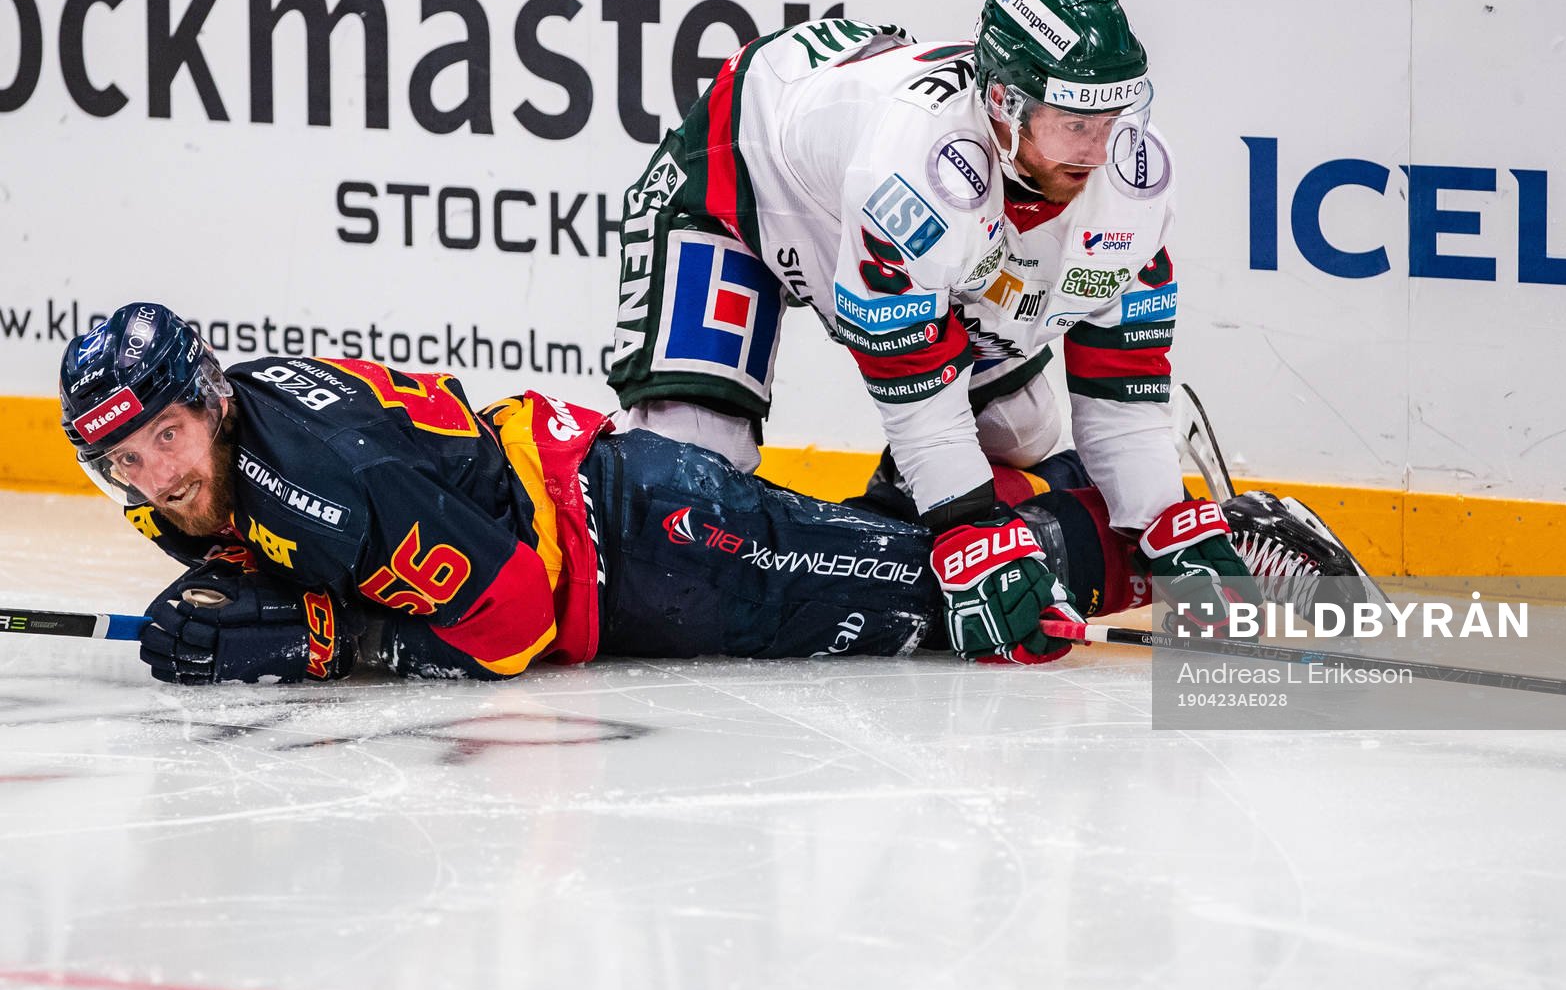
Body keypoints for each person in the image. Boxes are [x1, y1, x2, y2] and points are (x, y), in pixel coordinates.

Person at [59, 304, 1378, 686]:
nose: (157, 478)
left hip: (651, 548)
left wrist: (332, 639)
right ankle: (1055, 493)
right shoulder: (229, 448)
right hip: (618, 516)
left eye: (167, 438)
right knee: (891, 556)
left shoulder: (318, 495)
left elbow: (516, 624)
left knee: (950, 598)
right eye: (126, 463)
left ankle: (1170, 538)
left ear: (212, 403)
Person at [605, 0, 1252, 663]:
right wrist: (967, 527)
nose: (1099, 151)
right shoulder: (913, 168)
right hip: (737, 174)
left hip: (869, 172)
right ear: (1004, 102)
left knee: (1020, 425)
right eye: (1074, 124)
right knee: (692, 479)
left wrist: (1165, 519)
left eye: (1111, 118)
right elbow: (913, 379)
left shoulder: (1136, 176)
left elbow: (1124, 377)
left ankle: (895, 526)